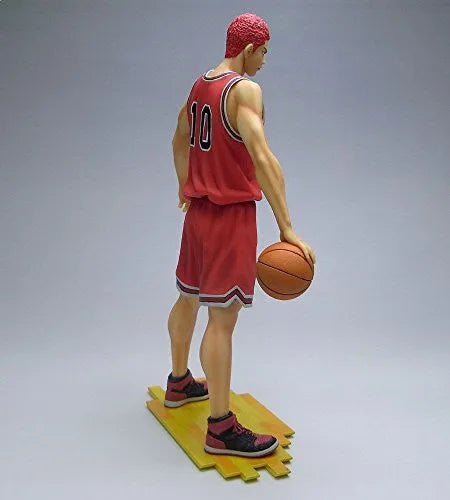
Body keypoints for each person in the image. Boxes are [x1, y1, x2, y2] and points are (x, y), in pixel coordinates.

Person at [164, 13, 316, 458]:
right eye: (264, 51)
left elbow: (178, 137)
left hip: (198, 213)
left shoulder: (201, 84)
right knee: (222, 319)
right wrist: (286, 227)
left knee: (188, 298)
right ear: (248, 49)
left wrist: (185, 186)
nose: (265, 60)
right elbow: (263, 158)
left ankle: (178, 383)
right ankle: (221, 429)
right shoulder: (244, 89)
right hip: (230, 216)